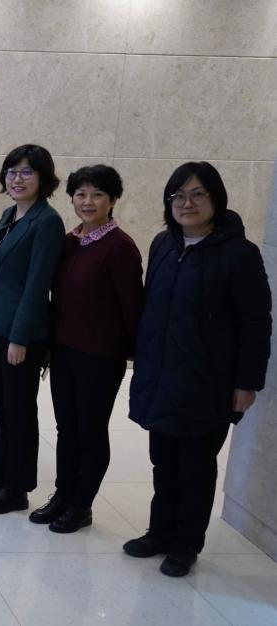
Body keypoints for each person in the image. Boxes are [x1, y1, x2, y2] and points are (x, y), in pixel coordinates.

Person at [123, 162, 271, 577]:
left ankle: (186, 544)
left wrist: (247, 383)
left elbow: (256, 323)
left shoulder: (240, 254)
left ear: (216, 199)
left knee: (196, 466)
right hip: (161, 374)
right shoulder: (163, 245)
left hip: (208, 381)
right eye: (178, 196)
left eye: (197, 194)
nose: (187, 203)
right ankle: (159, 532)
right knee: (163, 460)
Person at [40, 165, 143, 533]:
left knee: (90, 430)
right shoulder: (70, 241)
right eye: (80, 194)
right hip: (63, 350)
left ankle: (81, 505)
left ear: (113, 200)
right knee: (66, 427)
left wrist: (133, 354)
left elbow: (132, 308)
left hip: (100, 357)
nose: (88, 201)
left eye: (97, 194)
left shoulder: (120, 247)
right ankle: (62, 494)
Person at [0, 144, 65, 515]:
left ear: (43, 178)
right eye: (12, 171)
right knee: (2, 409)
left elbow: (38, 285)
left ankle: (17, 488)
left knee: (20, 411)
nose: (17, 179)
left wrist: (20, 337)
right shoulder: (9, 215)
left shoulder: (47, 222)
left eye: (26, 172)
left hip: (22, 334)